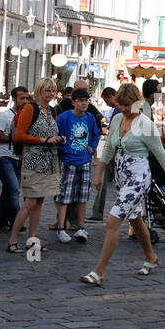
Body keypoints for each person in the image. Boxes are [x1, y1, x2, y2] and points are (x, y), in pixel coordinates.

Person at [79, 84, 165, 286]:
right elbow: (108, 148)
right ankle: (151, 256)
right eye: (121, 104)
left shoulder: (145, 124)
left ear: (137, 103)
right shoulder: (117, 119)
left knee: (113, 219)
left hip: (138, 177)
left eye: (127, 105)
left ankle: (99, 271)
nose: (123, 109)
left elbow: (161, 153)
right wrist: (98, 173)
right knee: (135, 219)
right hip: (121, 177)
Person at [7, 78, 62, 254]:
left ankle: (32, 239)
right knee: (30, 201)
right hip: (33, 161)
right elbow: (19, 136)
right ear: (39, 91)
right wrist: (43, 140)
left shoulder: (52, 110)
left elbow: (52, 133)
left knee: (39, 201)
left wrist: (58, 139)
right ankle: (13, 240)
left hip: (49, 162)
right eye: (47, 90)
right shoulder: (31, 108)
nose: (51, 94)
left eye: (53, 91)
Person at [55, 87, 100, 243]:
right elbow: (56, 135)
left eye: (86, 100)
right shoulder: (64, 118)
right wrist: (62, 147)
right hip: (69, 160)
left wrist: (92, 148)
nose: (84, 103)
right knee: (65, 195)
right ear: (73, 102)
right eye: (80, 101)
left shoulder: (89, 117)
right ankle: (61, 227)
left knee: (82, 195)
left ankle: (81, 227)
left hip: (84, 160)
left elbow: (95, 133)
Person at [0, 87, 27, 232]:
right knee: (13, 189)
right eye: (21, 98)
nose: (25, 101)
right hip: (4, 157)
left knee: (8, 190)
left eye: (26, 98)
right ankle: (15, 221)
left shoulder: (27, 117)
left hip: (18, 158)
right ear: (14, 99)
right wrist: (15, 139)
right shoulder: (5, 116)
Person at [88, 87, 119, 222]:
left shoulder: (118, 111)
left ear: (111, 96)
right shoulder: (119, 110)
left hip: (114, 150)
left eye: (107, 100)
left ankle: (98, 212)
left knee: (103, 180)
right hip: (116, 150)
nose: (106, 104)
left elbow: (113, 135)